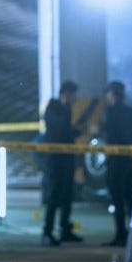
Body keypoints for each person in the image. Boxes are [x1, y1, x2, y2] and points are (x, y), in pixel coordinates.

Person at [102, 81, 132, 247]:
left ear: (112, 94)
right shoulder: (131, 112)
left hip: (116, 161)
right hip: (131, 160)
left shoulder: (110, 112)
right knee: (129, 198)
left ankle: (120, 235)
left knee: (117, 199)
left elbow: (111, 134)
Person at [41, 81, 83, 246]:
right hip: (55, 159)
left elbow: (67, 132)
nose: (75, 99)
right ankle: (47, 232)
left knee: (67, 195)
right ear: (66, 93)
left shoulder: (66, 109)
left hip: (66, 158)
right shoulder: (53, 107)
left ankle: (65, 229)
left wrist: (80, 131)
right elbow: (59, 128)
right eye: (73, 95)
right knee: (54, 194)